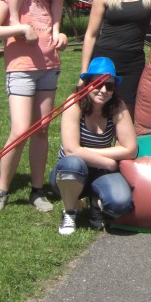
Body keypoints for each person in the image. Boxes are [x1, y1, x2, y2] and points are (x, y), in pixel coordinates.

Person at [0, 0, 69, 212]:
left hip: (49, 67)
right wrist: (21, 28)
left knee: (41, 130)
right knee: (20, 130)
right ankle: (2, 190)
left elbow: (53, 28)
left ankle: (37, 190)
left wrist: (61, 37)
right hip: (21, 69)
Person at [49, 57, 137, 235]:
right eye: (97, 84)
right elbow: (70, 151)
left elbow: (131, 149)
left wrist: (86, 152)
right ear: (87, 84)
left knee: (121, 204)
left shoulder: (117, 106)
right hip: (69, 171)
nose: (103, 90)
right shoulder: (74, 102)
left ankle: (95, 202)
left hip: (99, 170)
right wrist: (109, 163)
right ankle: (70, 212)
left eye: (109, 86)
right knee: (73, 162)